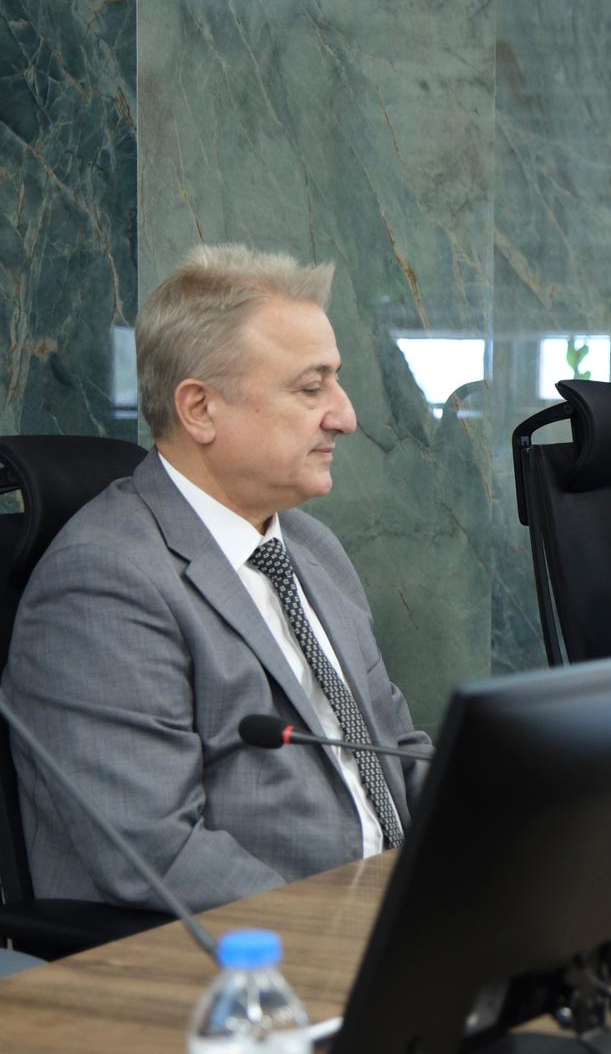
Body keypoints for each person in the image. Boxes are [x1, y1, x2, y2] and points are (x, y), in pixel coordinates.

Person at [1, 244, 430, 914]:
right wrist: (358, 930)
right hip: (243, 956)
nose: (345, 416)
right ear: (200, 409)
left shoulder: (312, 548)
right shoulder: (105, 580)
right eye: (310, 388)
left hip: (400, 918)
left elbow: (396, 751)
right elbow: (157, 855)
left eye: (337, 382)